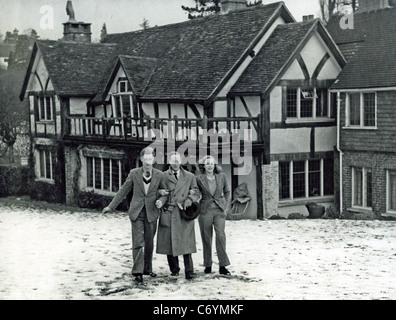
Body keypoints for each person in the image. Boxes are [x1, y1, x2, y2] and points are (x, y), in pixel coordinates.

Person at [102, 147, 166, 284]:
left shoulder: (160, 175)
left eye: (151, 159)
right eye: (146, 159)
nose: (148, 162)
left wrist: (162, 201)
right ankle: (138, 271)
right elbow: (123, 190)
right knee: (138, 242)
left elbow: (165, 192)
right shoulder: (134, 173)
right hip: (137, 212)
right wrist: (111, 206)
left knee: (149, 242)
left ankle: (147, 268)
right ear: (141, 159)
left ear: (154, 159)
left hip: (152, 213)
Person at [156, 152, 201, 280]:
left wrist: (189, 200)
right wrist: (160, 197)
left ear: (181, 161)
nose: (175, 163)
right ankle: (174, 269)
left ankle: (189, 271)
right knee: (170, 242)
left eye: (177, 160)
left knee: (187, 242)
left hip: (184, 213)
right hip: (170, 211)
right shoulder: (163, 176)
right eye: (173, 161)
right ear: (169, 161)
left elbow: (196, 192)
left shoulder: (190, 176)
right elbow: (162, 192)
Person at [196, 155, 231, 276]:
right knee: (206, 238)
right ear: (203, 166)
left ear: (215, 165)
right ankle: (208, 265)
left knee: (220, 236)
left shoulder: (222, 177)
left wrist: (224, 204)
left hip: (219, 210)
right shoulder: (199, 178)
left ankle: (223, 265)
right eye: (207, 164)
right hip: (205, 211)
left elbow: (227, 191)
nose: (210, 165)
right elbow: (195, 192)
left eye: (212, 163)